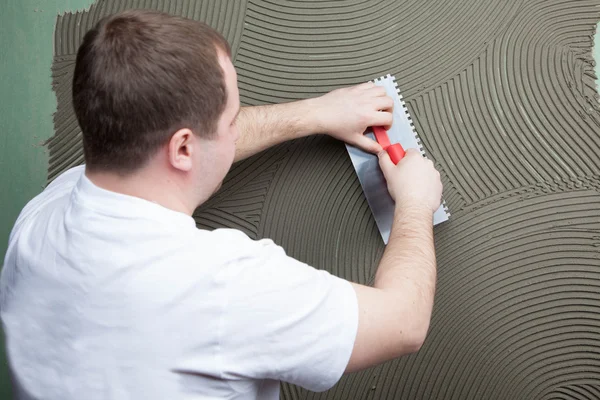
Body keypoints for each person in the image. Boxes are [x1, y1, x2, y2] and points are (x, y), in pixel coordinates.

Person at [1, 9, 442, 400]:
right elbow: (402, 323)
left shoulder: (45, 214)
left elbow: (185, 144)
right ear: (183, 149)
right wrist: (415, 204)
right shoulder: (223, 287)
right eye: (232, 118)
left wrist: (313, 114)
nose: (237, 127)